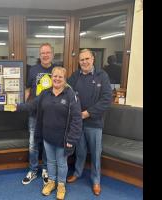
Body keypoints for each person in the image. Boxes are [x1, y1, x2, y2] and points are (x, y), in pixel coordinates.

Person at [16, 67, 82, 200]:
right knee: (50, 162)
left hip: (64, 138)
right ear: (51, 78)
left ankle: (61, 185)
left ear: (64, 79)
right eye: (55, 76)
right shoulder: (45, 93)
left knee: (62, 163)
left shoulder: (70, 95)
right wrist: (16, 106)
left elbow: (77, 118)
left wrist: (72, 138)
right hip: (47, 136)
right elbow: (32, 105)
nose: (57, 79)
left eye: (60, 77)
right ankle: (51, 182)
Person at [66, 49, 112, 196]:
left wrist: (87, 113)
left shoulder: (102, 76)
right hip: (78, 123)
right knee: (80, 151)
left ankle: (96, 180)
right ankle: (78, 173)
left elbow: (106, 99)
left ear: (93, 59)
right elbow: (67, 92)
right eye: (81, 60)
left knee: (95, 154)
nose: (84, 62)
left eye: (87, 59)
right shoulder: (75, 76)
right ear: (79, 62)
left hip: (94, 123)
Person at [22, 43, 59, 185]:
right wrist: (24, 105)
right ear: (39, 55)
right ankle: (33, 170)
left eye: (48, 52)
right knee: (33, 143)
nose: (45, 55)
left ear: (52, 55)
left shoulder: (56, 70)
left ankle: (45, 170)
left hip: (50, 114)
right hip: (34, 113)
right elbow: (27, 90)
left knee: (47, 143)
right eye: (42, 53)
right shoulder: (33, 70)